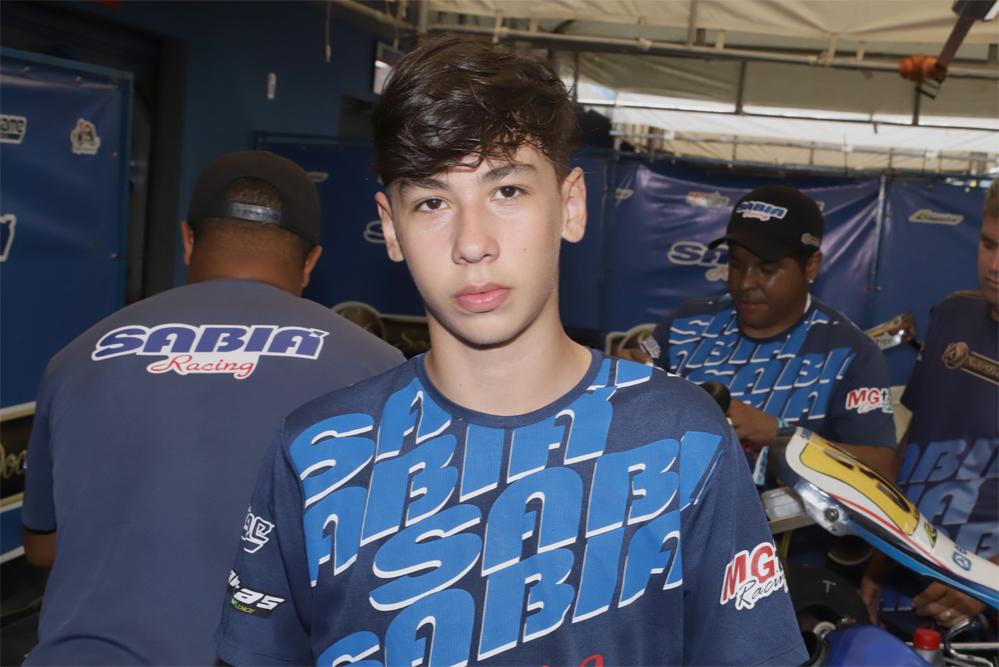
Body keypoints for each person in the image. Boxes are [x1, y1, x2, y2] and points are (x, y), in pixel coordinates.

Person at [215, 35, 807, 666]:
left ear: (570, 206)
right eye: (433, 202)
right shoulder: (316, 449)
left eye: (507, 191)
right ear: (391, 227)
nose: (473, 243)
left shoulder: (683, 438)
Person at [21, 150, 404, 664]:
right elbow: (388, 562)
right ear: (311, 261)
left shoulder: (77, 356)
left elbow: (41, 546)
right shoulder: (376, 366)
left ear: (187, 240)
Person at [638, 185, 897, 480]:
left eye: (767, 269)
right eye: (736, 264)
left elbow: (882, 469)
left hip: (783, 511)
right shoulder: (681, 327)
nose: (745, 283)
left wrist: (781, 435)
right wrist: (624, 382)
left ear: (811, 266)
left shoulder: (851, 354)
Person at [866, 179, 998, 635]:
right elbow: (915, 438)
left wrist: (988, 580)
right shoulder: (952, 314)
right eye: (988, 244)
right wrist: (878, 555)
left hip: (983, 621)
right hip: (904, 585)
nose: (994, 266)